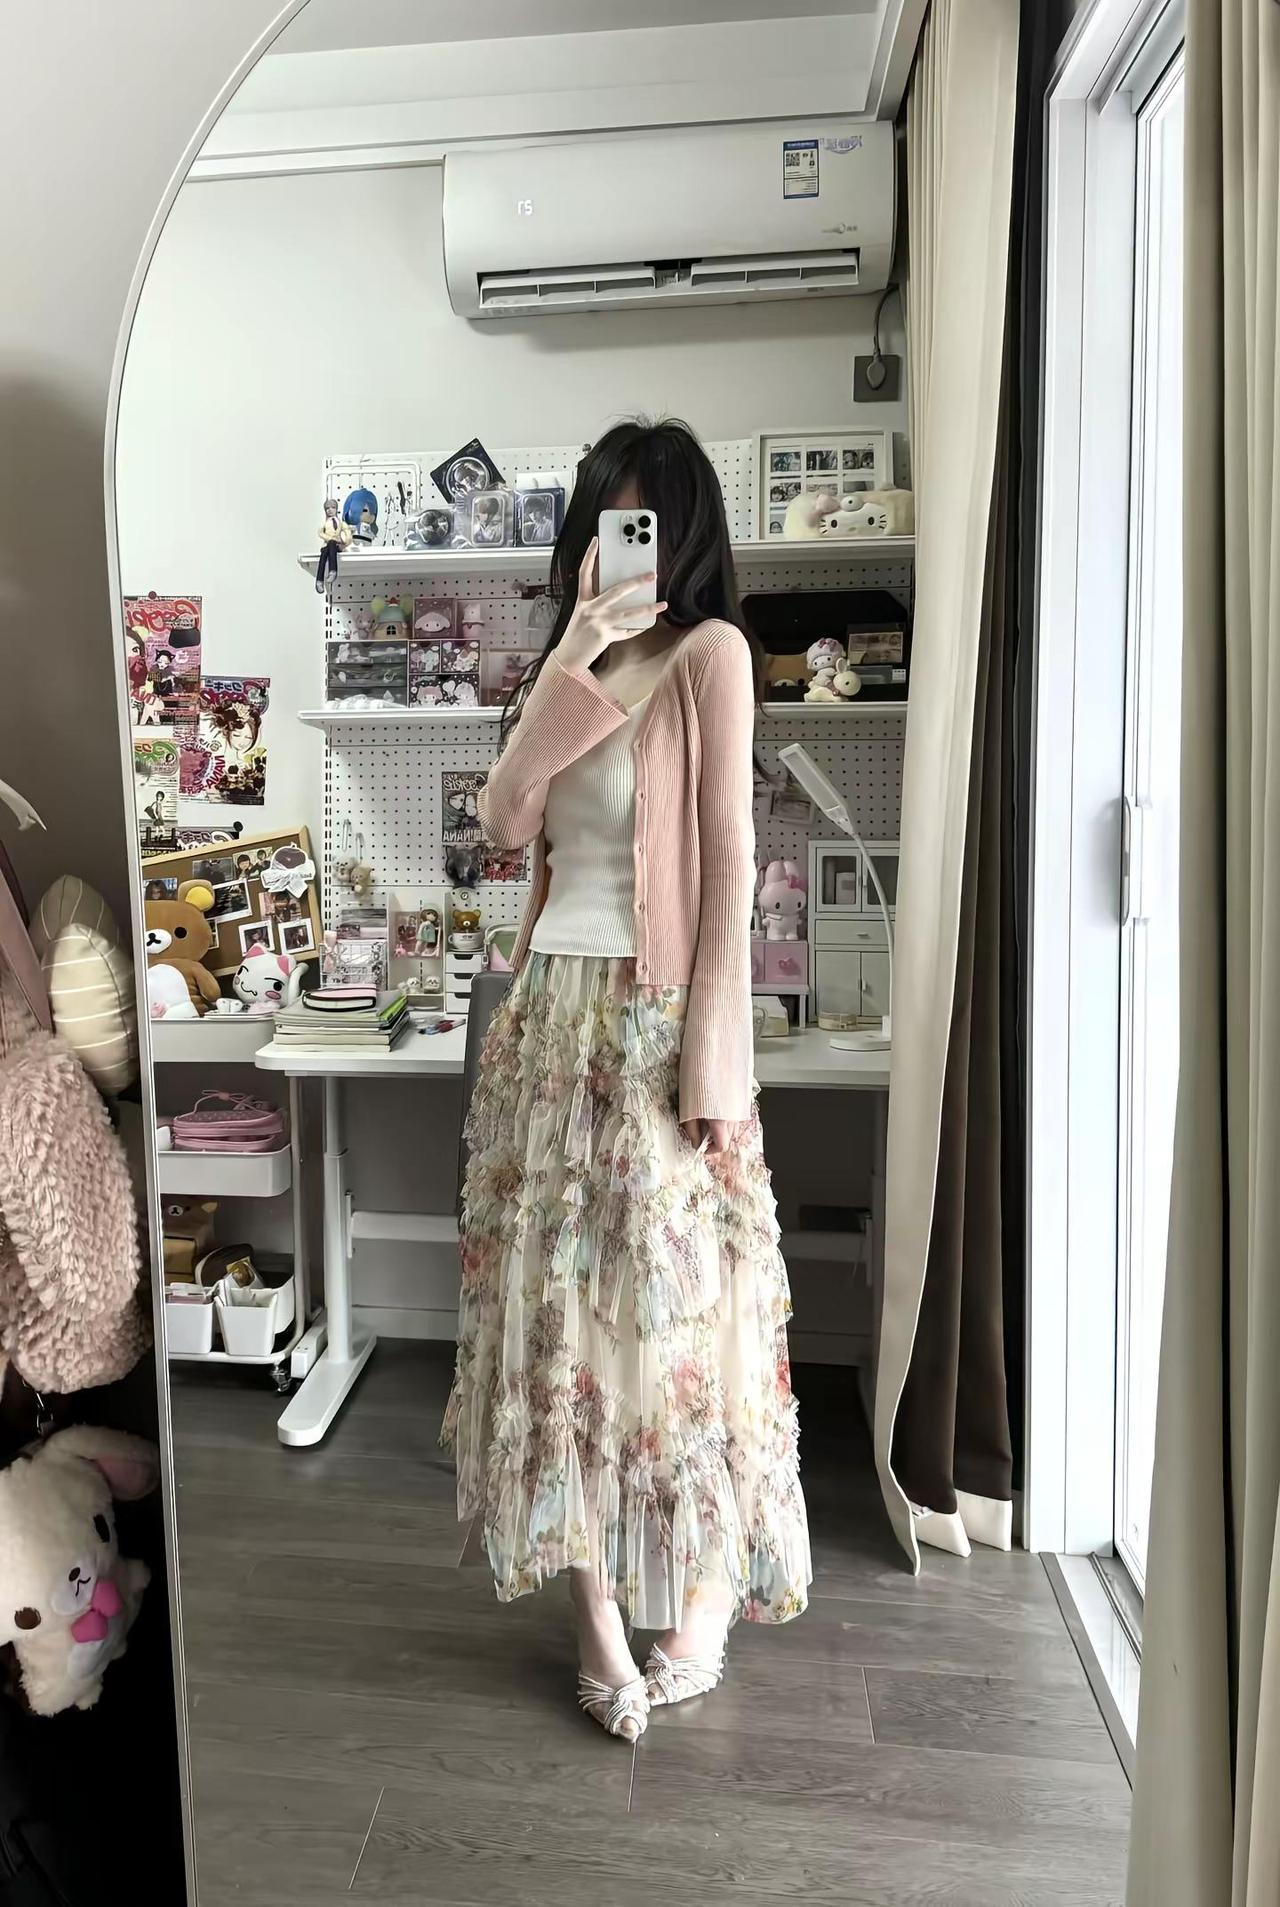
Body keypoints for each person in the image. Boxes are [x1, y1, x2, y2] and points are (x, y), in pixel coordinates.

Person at [441, 418, 811, 1743]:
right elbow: (501, 821)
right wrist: (575, 656)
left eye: (644, 516)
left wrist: (716, 1066)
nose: (623, 540)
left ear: (687, 528)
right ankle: (595, 1614)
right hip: (551, 1021)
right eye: (607, 516)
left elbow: (726, 864)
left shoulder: (713, 657)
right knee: (562, 1327)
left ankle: (705, 1599)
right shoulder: (572, 663)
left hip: (656, 1029)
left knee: (690, 1322)